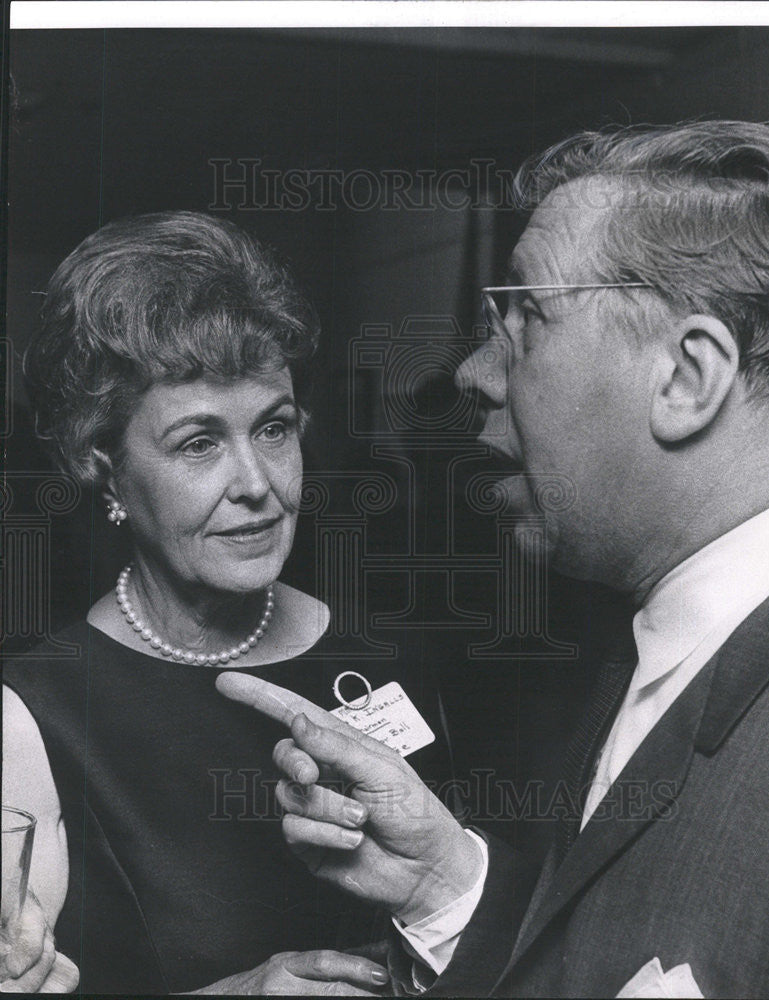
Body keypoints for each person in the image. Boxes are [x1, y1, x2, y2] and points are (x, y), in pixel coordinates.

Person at [218, 121, 769, 998]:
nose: (476, 373)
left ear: (686, 376)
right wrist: (446, 888)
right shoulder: (650, 649)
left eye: (528, 318)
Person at [1, 210, 454, 994]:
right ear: (99, 464)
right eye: (198, 443)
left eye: (273, 429)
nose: (257, 484)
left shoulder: (394, 658)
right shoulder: (35, 715)